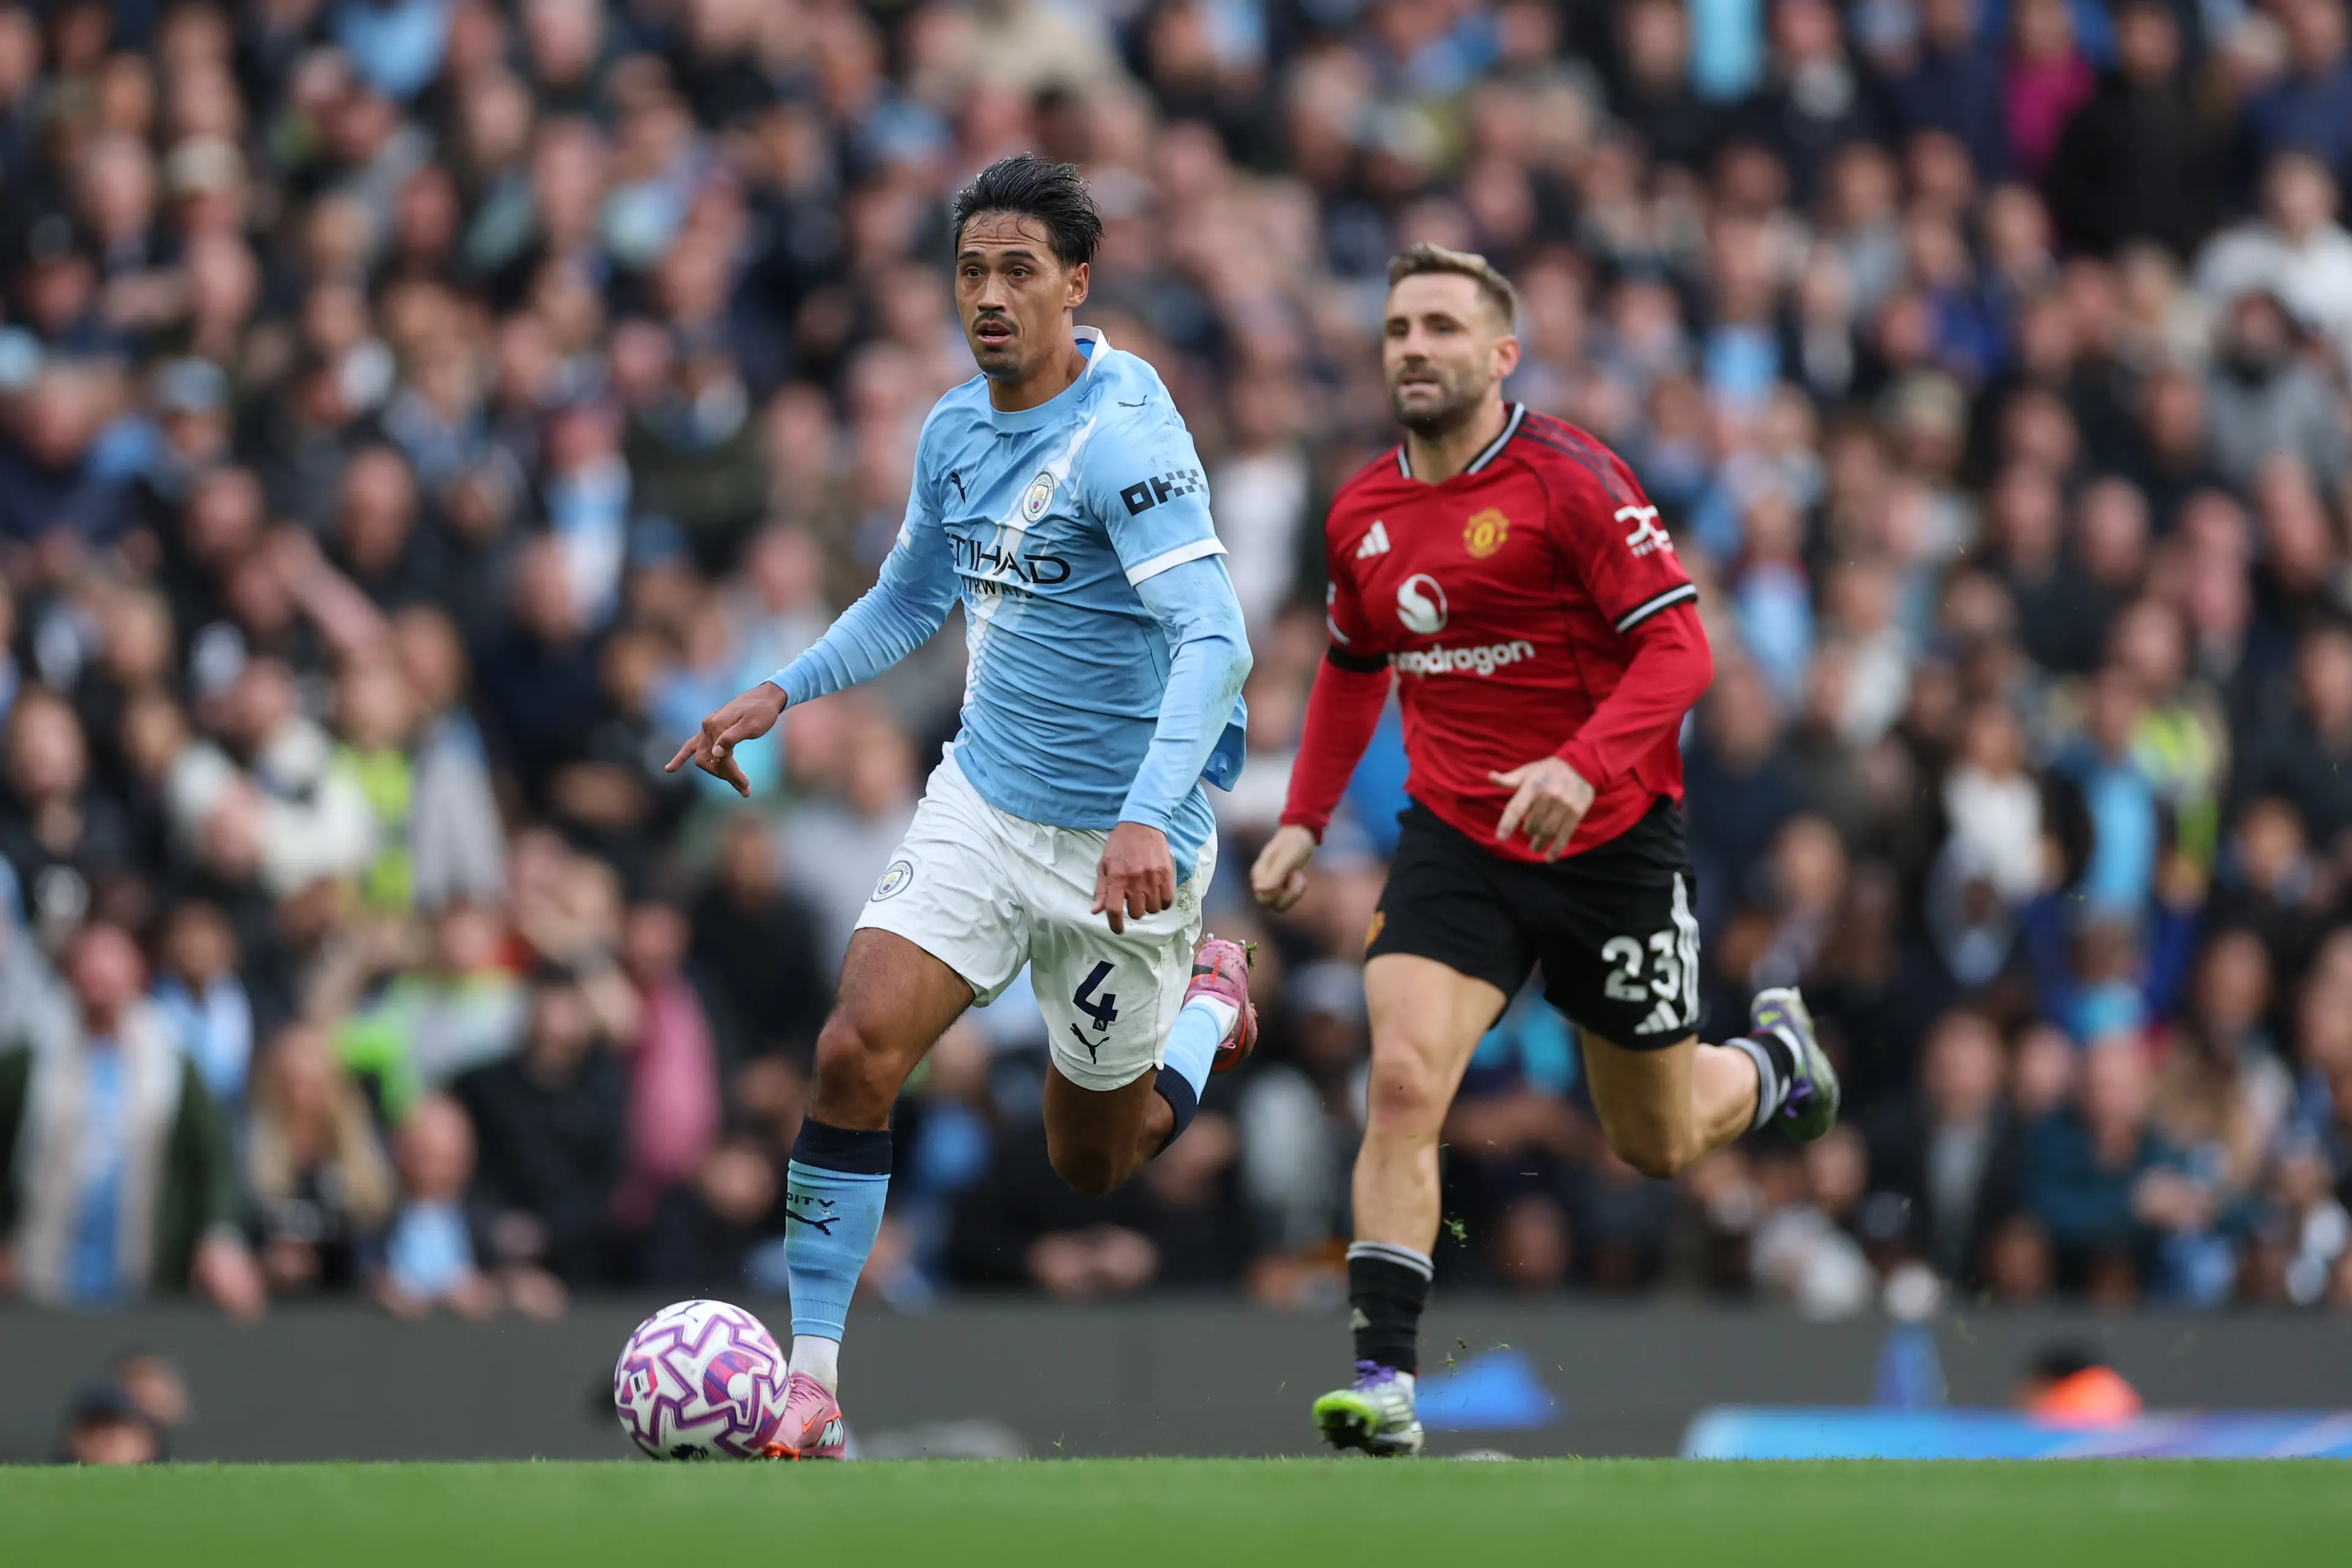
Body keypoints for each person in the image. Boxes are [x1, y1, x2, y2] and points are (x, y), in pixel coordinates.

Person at [670, 154, 1256, 1458]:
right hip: (983, 806)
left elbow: (1216, 643)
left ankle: (1209, 1005)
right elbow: (908, 597)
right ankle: (811, 1385)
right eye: (971, 271)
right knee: (852, 1049)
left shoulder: (1128, 440)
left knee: (1093, 1159)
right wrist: (782, 687)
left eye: (1018, 273)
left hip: (1124, 846)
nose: (989, 297)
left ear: (1076, 285)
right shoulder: (952, 429)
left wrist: (1150, 815)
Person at [1250, 244, 1841, 1455]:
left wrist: (1583, 763)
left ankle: (1774, 1061)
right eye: (1399, 327)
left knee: (1657, 1140)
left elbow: (1682, 651)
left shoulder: (1573, 478)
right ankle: (1387, 1379)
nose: (1415, 347)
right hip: (1458, 838)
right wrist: (1308, 815)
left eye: (1443, 329)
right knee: (1406, 1079)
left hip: (1609, 842)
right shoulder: (1362, 509)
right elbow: (1356, 667)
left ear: (1500, 355)